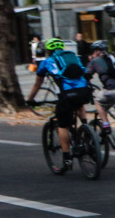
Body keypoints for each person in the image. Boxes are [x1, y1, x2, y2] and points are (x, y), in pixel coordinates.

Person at [26, 38, 92, 172]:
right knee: (78, 103)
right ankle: (85, 128)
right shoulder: (73, 57)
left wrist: (30, 99)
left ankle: (67, 158)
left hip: (67, 94)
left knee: (62, 125)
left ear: (48, 51)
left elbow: (38, 84)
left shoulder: (47, 62)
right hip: (85, 91)